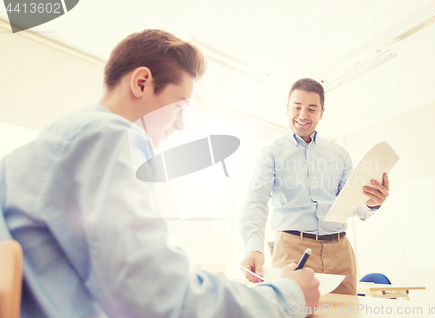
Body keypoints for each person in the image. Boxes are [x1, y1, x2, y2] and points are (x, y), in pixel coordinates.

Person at [0, 30, 320, 318]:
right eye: (180, 106)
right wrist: (287, 295)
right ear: (142, 83)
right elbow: (155, 300)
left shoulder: (57, 141)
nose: (180, 124)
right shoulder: (109, 136)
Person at [240, 78, 390, 295]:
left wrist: (370, 203)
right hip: (292, 251)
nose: (303, 114)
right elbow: (256, 201)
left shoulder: (340, 154)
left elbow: (352, 203)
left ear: (321, 112)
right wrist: (253, 247)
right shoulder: (272, 152)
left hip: (340, 252)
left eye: (312, 108)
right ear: (287, 108)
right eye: (297, 107)